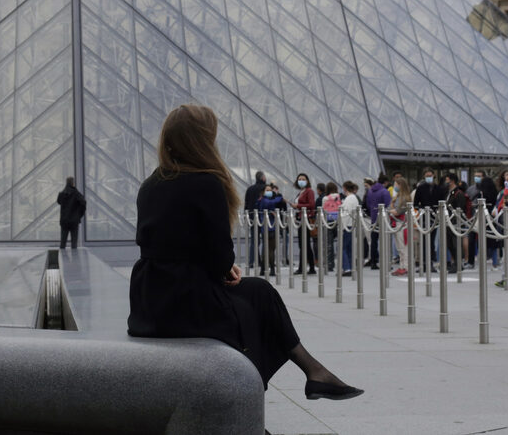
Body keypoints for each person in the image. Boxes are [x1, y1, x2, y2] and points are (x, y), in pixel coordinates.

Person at [126, 104, 362, 399]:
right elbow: (219, 257)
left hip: (150, 299)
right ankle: (258, 397)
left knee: (257, 294)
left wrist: (222, 267)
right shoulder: (205, 182)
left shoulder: (151, 183)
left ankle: (312, 373)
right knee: (258, 297)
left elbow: (167, 242)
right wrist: (227, 267)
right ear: (201, 141)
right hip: (186, 302)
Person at [256, 183, 286, 275]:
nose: (269, 192)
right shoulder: (265, 200)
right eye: (267, 190)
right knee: (271, 249)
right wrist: (280, 198)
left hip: (265, 227)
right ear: (263, 192)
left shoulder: (260, 200)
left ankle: (263, 269)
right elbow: (270, 203)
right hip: (270, 227)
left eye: (270, 190)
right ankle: (272, 268)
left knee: (266, 248)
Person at [293, 173, 317, 275]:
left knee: (304, 244)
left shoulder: (309, 191)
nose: (301, 181)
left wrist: (298, 205)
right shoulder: (301, 192)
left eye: (303, 179)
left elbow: (312, 204)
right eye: (299, 179)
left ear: (307, 181)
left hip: (306, 219)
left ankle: (304, 267)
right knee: (303, 244)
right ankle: (310, 267)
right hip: (301, 219)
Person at [366, 175, 391, 269]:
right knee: (385, 241)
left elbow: (368, 204)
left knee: (374, 241)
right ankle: (385, 262)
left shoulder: (370, 191)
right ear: (385, 182)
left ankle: (373, 261)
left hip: (373, 217)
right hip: (383, 218)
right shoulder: (385, 191)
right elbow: (388, 204)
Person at [244, 171, 267, 267]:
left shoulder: (250, 189)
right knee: (265, 240)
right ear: (263, 178)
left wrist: (247, 216)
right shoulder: (265, 188)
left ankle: (251, 262)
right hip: (263, 217)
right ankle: (264, 261)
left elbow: (246, 203)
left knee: (254, 241)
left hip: (252, 217)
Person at [56, 177, 87, 249]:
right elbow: (83, 202)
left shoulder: (62, 194)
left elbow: (58, 201)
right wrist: (79, 213)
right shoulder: (76, 193)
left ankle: (62, 258)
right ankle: (74, 258)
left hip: (64, 221)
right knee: (74, 242)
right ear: (73, 183)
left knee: (63, 242)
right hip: (74, 221)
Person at [340, 181, 361, 276]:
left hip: (347, 225)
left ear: (345, 188)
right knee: (349, 248)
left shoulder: (349, 199)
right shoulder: (354, 198)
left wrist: (342, 226)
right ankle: (350, 266)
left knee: (342, 247)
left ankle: (347, 267)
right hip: (351, 225)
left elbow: (346, 213)